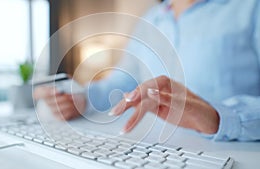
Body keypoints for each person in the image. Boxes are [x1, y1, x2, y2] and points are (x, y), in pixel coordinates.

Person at [34, 0, 260, 141]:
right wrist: (81, 98)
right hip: (153, 147)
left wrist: (218, 117)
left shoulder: (251, 8)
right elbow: (122, 83)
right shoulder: (149, 19)